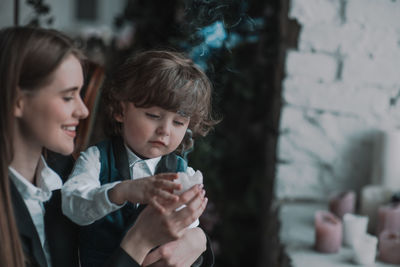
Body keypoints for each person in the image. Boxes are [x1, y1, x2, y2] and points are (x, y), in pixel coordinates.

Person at [0, 26, 207, 267]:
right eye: (68, 96)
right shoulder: (94, 163)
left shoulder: (61, 171)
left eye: (179, 122)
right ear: (19, 101)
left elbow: (190, 238)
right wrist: (139, 241)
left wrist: (197, 240)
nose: (84, 111)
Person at [61, 50, 218, 267]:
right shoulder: (96, 159)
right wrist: (120, 191)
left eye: (179, 122)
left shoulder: (184, 173)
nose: (165, 131)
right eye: (153, 116)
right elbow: (72, 205)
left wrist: (193, 237)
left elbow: (187, 244)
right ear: (120, 110)